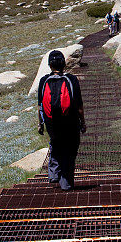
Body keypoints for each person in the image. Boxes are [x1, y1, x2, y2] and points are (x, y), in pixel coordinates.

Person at [37, 50, 86, 191]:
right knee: (70, 151)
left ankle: (53, 174)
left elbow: (40, 106)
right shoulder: (71, 80)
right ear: (64, 64)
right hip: (71, 122)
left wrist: (40, 124)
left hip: (52, 123)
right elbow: (79, 106)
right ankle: (66, 183)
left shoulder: (43, 81)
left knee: (56, 144)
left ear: (49, 65)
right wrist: (83, 123)